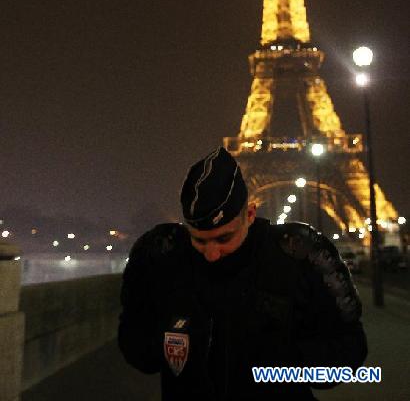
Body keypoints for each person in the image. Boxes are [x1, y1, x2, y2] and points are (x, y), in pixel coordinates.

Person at [118, 147, 367, 400]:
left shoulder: (299, 255)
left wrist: (282, 362)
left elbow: (350, 351)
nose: (211, 254)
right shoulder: (163, 257)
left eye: (224, 238)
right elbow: (138, 351)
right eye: (200, 241)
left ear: (249, 214)